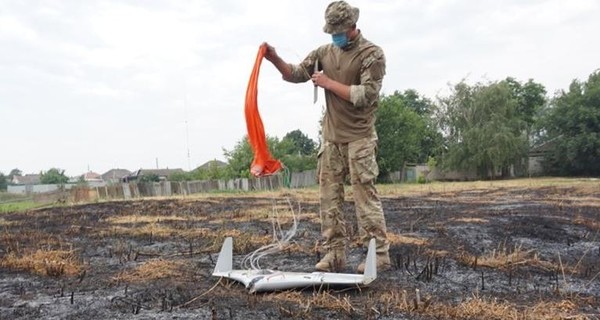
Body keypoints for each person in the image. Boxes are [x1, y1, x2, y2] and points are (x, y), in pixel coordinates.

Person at [263, 0, 390, 273]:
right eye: (331, 32)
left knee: (364, 197)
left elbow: (366, 95)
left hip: (360, 139)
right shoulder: (324, 52)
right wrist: (273, 58)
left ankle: (377, 254)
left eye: (339, 31)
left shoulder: (372, 55)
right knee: (329, 200)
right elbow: (296, 74)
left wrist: (328, 83)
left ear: (352, 27)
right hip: (331, 139)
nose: (335, 36)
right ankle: (334, 254)